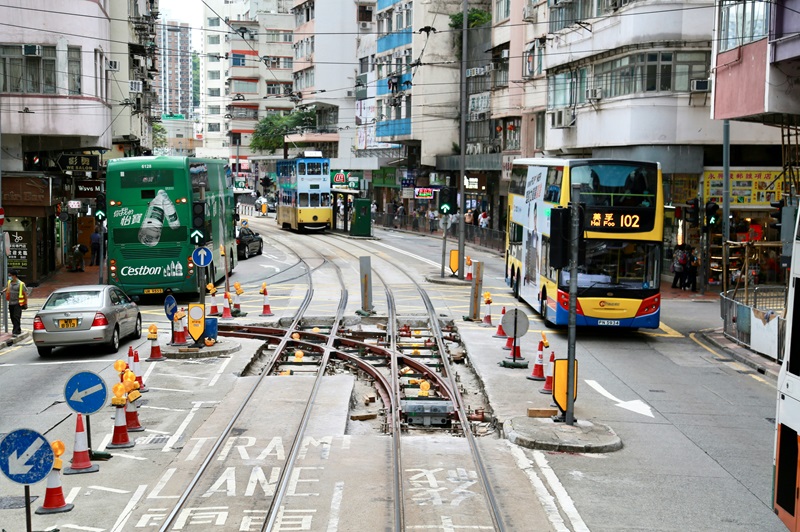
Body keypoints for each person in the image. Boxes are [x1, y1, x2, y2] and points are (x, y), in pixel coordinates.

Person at [3, 270, 30, 336]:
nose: (9, 277)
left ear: (14, 276)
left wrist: (25, 303)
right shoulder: (9, 282)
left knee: (16, 317)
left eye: (10, 275)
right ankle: (18, 330)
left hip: (18, 303)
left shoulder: (21, 284)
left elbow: (25, 293)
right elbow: (7, 288)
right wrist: (3, 290)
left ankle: (14, 331)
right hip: (11, 303)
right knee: (12, 317)